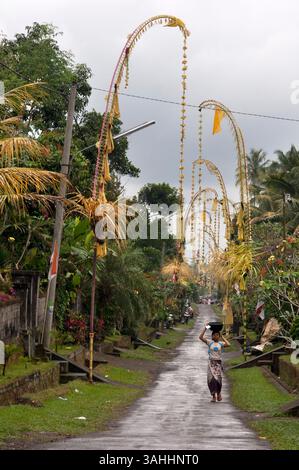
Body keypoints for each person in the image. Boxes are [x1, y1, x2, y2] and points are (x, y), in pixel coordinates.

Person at [199, 321, 230, 402]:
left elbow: (228, 344)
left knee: (218, 380)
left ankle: (219, 394)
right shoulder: (210, 342)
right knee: (211, 380)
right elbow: (200, 337)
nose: (215, 336)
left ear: (219, 336)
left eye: (217, 335)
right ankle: (213, 396)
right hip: (211, 364)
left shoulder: (221, 343)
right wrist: (205, 329)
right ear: (212, 336)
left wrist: (222, 337)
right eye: (214, 335)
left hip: (218, 364)